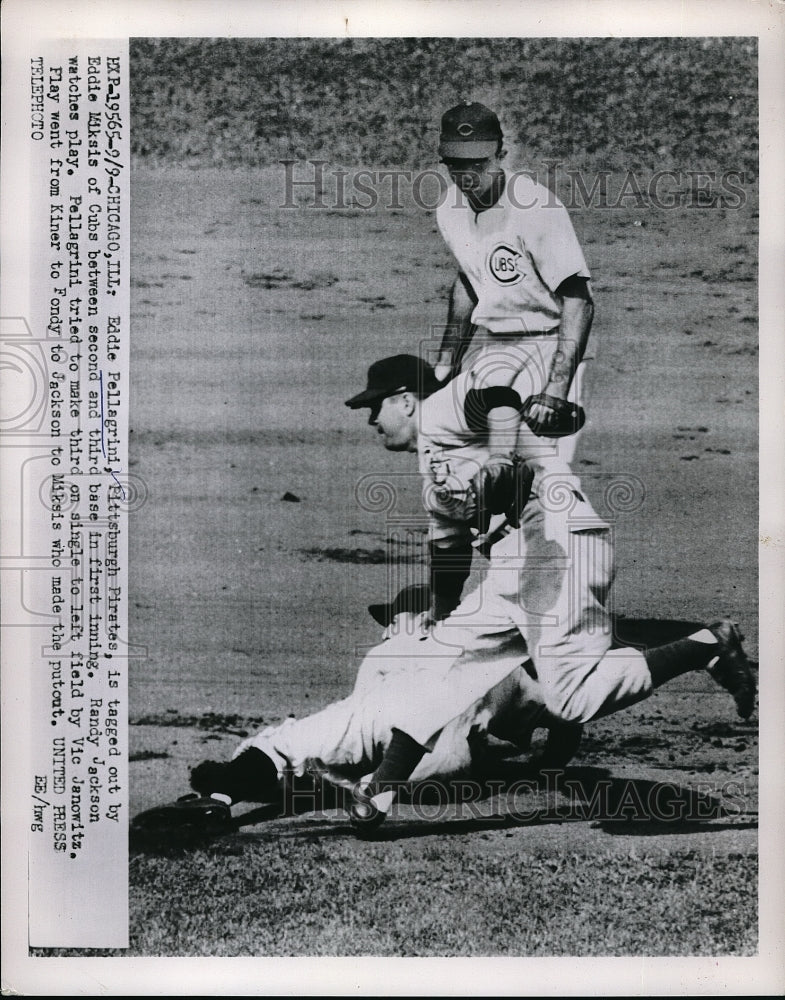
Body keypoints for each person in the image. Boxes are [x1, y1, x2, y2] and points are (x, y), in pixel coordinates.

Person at [343, 354, 756, 834]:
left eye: (376, 408)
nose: (372, 420)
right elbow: (449, 556)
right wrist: (439, 614)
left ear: (406, 401)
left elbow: (496, 392)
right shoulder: (432, 479)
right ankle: (382, 791)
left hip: (555, 540)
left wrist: (499, 455)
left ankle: (708, 644)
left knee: (572, 701)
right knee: (439, 664)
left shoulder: (442, 408)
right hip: (513, 566)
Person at [131, 584, 583, 841]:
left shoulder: (392, 648)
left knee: (284, 743)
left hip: (394, 735)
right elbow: (564, 716)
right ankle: (343, 785)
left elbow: (365, 728)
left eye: (390, 617)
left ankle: (226, 796)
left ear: (408, 620)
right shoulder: (497, 659)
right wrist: (545, 766)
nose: (386, 624)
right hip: (448, 772)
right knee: (379, 755)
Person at [432, 100, 594, 464]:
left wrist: (556, 389)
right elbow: (470, 283)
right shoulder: (449, 208)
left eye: (478, 163)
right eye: (456, 164)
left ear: (501, 154)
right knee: (473, 464)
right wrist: (446, 362)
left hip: (550, 345)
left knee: (539, 473)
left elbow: (578, 299)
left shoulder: (535, 207)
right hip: (495, 350)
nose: (467, 174)